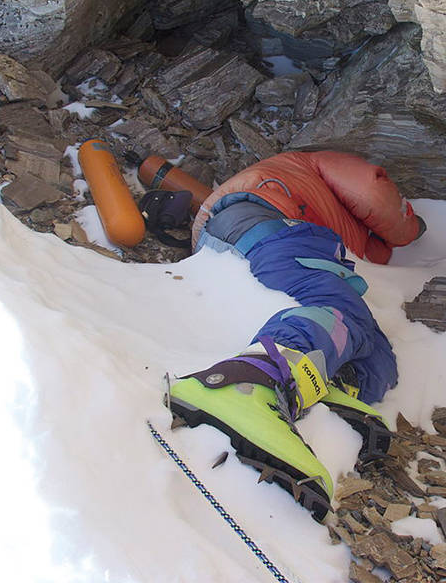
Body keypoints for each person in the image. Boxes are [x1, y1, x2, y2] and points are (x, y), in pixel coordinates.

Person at [168, 151, 425, 520]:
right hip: (263, 224)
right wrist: (411, 229)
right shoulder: (310, 163)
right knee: (341, 314)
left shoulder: (321, 205)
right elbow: (373, 188)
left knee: (376, 354)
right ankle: (249, 381)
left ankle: (320, 385)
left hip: (236, 237)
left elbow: (367, 245)